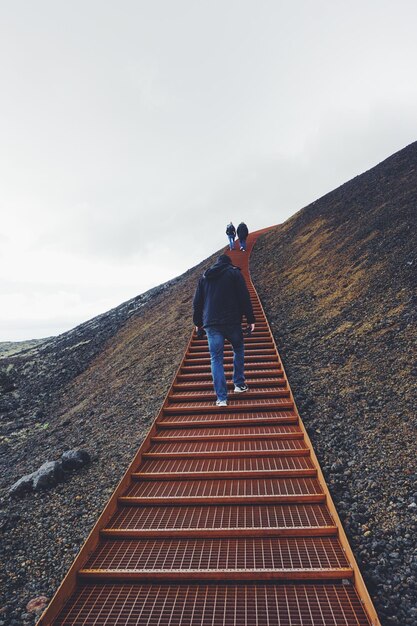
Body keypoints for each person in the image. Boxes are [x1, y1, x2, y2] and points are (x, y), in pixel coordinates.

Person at [193, 254, 255, 406]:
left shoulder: (204, 278)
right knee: (238, 348)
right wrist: (250, 319)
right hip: (232, 321)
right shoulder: (234, 273)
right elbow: (244, 297)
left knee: (216, 359)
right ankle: (239, 384)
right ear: (228, 263)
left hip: (211, 324)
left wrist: (198, 323)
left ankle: (221, 398)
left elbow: (197, 303)